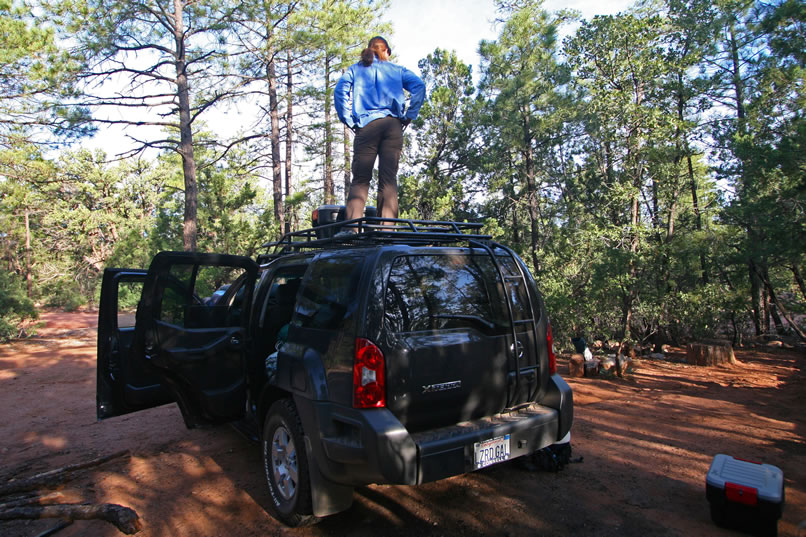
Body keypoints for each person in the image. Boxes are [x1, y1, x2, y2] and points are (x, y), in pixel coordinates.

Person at [334, 36, 426, 228]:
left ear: (369, 50)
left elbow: (340, 91)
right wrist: (410, 114)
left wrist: (349, 120)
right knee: (389, 179)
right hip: (393, 126)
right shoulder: (397, 70)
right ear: (387, 52)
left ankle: (351, 229)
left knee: (360, 178)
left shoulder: (356, 69)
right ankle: (387, 229)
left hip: (367, 126)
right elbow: (419, 86)